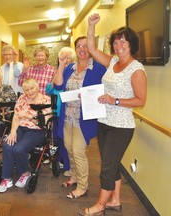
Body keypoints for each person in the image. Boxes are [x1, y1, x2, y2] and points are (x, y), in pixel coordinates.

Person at [78, 14, 147, 216]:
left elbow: (141, 100)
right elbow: (91, 48)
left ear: (131, 44)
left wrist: (115, 100)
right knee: (112, 163)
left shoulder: (137, 69)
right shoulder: (113, 62)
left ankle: (100, 205)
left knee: (107, 167)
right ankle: (115, 200)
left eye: (122, 42)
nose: (118, 46)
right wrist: (91, 26)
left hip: (121, 126)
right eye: (115, 42)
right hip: (104, 121)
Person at [53, 37, 106, 200]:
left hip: (85, 118)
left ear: (91, 48)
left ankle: (83, 186)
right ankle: (74, 177)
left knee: (78, 151)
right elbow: (58, 86)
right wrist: (61, 66)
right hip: (67, 116)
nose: (82, 49)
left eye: (85, 46)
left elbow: (105, 90)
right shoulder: (70, 67)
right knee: (69, 148)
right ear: (75, 49)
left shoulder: (99, 68)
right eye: (78, 46)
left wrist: (93, 97)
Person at [0, 78, 52, 193]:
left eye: (32, 88)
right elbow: (16, 117)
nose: (30, 92)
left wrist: (29, 116)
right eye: (27, 90)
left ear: (37, 86)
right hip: (21, 128)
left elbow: (44, 122)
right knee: (7, 145)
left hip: (37, 130)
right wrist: (12, 132)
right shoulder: (22, 98)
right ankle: (6, 178)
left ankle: (25, 173)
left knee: (19, 149)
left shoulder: (46, 100)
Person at [46, 46, 77, 177]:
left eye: (68, 57)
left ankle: (67, 163)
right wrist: (53, 83)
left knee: (67, 140)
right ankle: (58, 160)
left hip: (69, 111)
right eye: (63, 57)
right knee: (57, 137)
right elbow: (49, 90)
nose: (65, 59)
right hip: (57, 110)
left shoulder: (75, 72)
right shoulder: (58, 72)